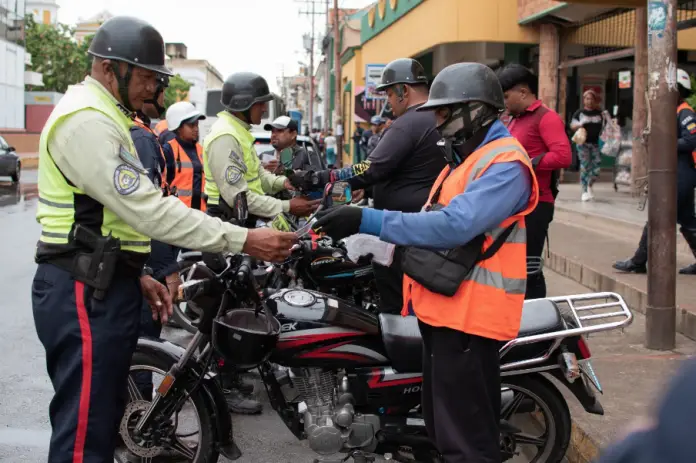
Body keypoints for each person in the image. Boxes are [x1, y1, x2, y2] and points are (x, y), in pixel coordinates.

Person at [31, 16, 297, 463]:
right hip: (81, 290)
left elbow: (107, 221)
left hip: (100, 281)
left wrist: (134, 274)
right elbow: (150, 210)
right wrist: (247, 239)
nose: (158, 91)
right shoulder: (86, 122)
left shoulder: (108, 117)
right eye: (151, 78)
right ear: (112, 69)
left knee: (103, 418)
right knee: (84, 435)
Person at [312, 62, 539, 463]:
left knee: (467, 442)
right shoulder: (468, 159)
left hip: (471, 319)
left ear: (475, 110)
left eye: (443, 112)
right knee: (443, 429)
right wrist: (378, 243)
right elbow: (430, 224)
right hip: (444, 312)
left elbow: (455, 226)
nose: (436, 122)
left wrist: (367, 219)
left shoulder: (505, 164)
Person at [303, 58, 447, 314]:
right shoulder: (435, 118)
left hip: (403, 232)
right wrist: (369, 189)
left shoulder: (408, 123)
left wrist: (322, 177)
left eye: (390, 93)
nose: (388, 102)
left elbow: (370, 168)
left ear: (404, 90)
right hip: (425, 229)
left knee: (396, 306)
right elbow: (411, 170)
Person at [202, 73, 320, 228]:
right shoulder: (226, 136)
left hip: (242, 220)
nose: (264, 109)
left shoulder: (240, 132)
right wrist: (288, 206)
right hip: (227, 223)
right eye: (261, 103)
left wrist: (285, 183)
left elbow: (258, 176)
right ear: (244, 104)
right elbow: (239, 198)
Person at [496, 64, 572, 300]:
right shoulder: (514, 119)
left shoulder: (546, 118)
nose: (505, 103)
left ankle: (538, 320)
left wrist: (530, 161)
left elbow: (563, 156)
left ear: (523, 92)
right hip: (516, 203)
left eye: (507, 97)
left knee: (530, 268)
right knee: (513, 267)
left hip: (537, 205)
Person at [614, 68, 696, 275]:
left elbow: (691, 140)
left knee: (658, 216)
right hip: (677, 172)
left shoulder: (684, 112)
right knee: (687, 220)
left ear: (677, 90)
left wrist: (664, 143)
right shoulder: (670, 113)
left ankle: (638, 261)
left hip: (683, 173)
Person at [162, 101, 207, 211]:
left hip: (200, 214)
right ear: (178, 127)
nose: (196, 129)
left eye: (197, 124)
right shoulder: (168, 150)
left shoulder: (201, 150)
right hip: (177, 215)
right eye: (191, 125)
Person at [571, 90, 604, 201]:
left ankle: (590, 185)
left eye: (591, 99)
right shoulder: (579, 113)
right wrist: (579, 124)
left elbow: (606, 127)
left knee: (597, 167)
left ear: (595, 100)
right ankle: (584, 191)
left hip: (595, 144)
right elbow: (572, 126)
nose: (589, 101)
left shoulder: (599, 114)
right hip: (583, 144)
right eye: (587, 99)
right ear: (584, 100)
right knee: (585, 167)